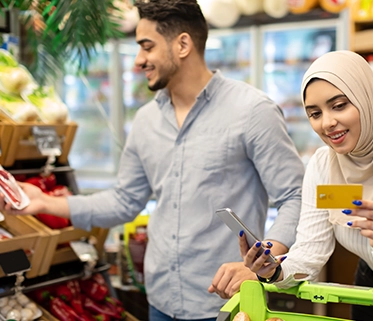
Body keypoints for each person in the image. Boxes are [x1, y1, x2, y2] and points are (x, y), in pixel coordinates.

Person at [0, 1, 304, 320]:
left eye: (147, 47)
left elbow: (295, 196)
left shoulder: (252, 111)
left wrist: (263, 260)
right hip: (160, 300)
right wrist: (44, 202)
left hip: (226, 303)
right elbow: (124, 200)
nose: (139, 60)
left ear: (183, 44)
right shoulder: (146, 120)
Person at [239, 50, 373, 320]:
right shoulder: (324, 166)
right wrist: (274, 270)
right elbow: (310, 251)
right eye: (314, 113)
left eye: (339, 105)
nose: (327, 123)